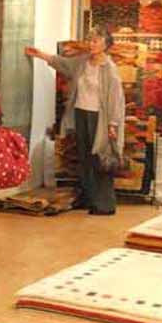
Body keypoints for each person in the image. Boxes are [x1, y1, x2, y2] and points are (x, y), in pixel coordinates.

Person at [25, 26, 125, 215]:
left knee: (99, 157)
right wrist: (40, 54)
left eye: (95, 41)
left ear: (105, 45)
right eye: (90, 40)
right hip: (81, 113)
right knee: (84, 157)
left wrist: (113, 124)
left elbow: (116, 99)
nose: (91, 44)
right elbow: (63, 63)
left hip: (100, 118)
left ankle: (104, 204)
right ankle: (88, 198)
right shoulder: (83, 62)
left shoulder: (109, 69)